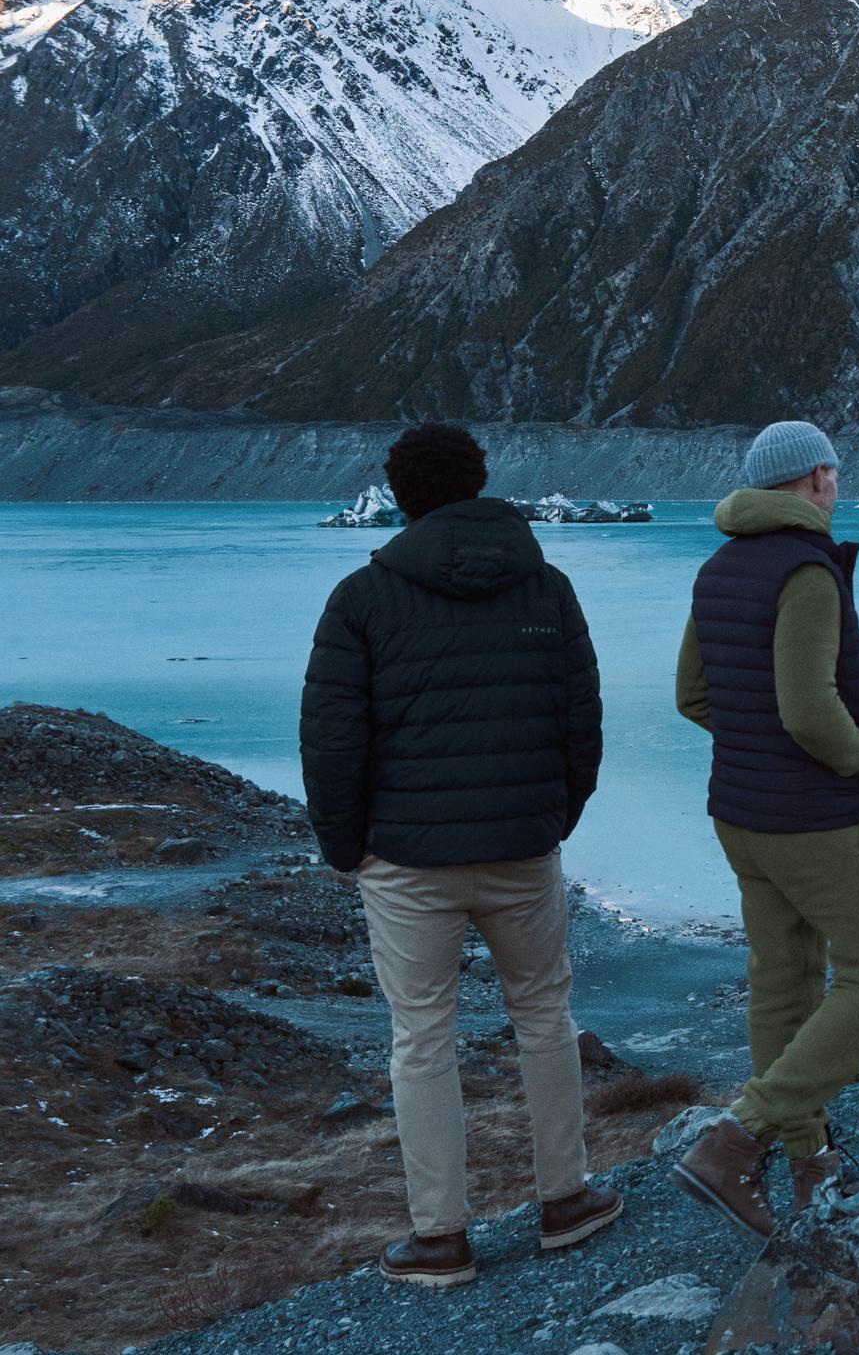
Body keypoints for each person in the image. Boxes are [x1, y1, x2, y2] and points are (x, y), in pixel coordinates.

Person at [300, 422, 617, 1288]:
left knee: (421, 1037)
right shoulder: (546, 588)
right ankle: (567, 1200)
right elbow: (579, 724)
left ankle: (440, 1237)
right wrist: (552, 817)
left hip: (405, 860)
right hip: (522, 849)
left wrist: (347, 849)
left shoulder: (362, 599)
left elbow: (333, 743)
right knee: (544, 1016)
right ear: (479, 484)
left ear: (401, 496)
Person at [670, 420, 859, 1238]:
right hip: (817, 818)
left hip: (742, 815)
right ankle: (737, 1139)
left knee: (782, 979)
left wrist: (754, 755)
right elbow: (809, 709)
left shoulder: (719, 567)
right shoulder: (806, 571)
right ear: (815, 480)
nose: (838, 487)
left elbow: (693, 697)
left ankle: (811, 1162)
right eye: (834, 475)